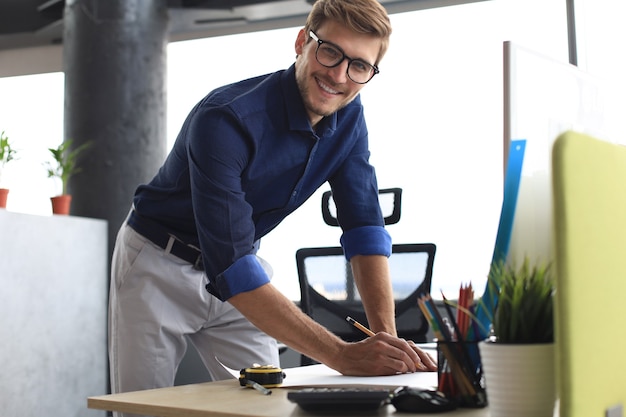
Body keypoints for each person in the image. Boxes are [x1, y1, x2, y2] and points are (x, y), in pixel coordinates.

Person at [109, 0, 437, 409]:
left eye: (359, 65)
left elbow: (364, 226)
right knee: (144, 408)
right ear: (302, 42)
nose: (338, 75)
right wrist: (340, 354)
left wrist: (385, 339)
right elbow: (229, 263)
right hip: (159, 264)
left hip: (242, 273)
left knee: (271, 406)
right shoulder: (225, 118)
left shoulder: (349, 118)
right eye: (330, 51)